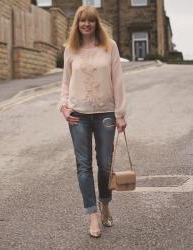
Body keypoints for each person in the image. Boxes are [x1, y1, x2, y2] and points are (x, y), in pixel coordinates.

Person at [58, 5, 127, 238]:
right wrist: (64, 107)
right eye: (82, 21)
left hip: (106, 113)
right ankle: (92, 215)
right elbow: (65, 82)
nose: (86, 24)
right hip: (78, 115)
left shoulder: (110, 47)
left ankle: (105, 202)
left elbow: (117, 80)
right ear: (77, 24)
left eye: (91, 21)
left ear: (97, 23)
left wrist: (120, 113)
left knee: (105, 164)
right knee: (84, 165)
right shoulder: (70, 49)